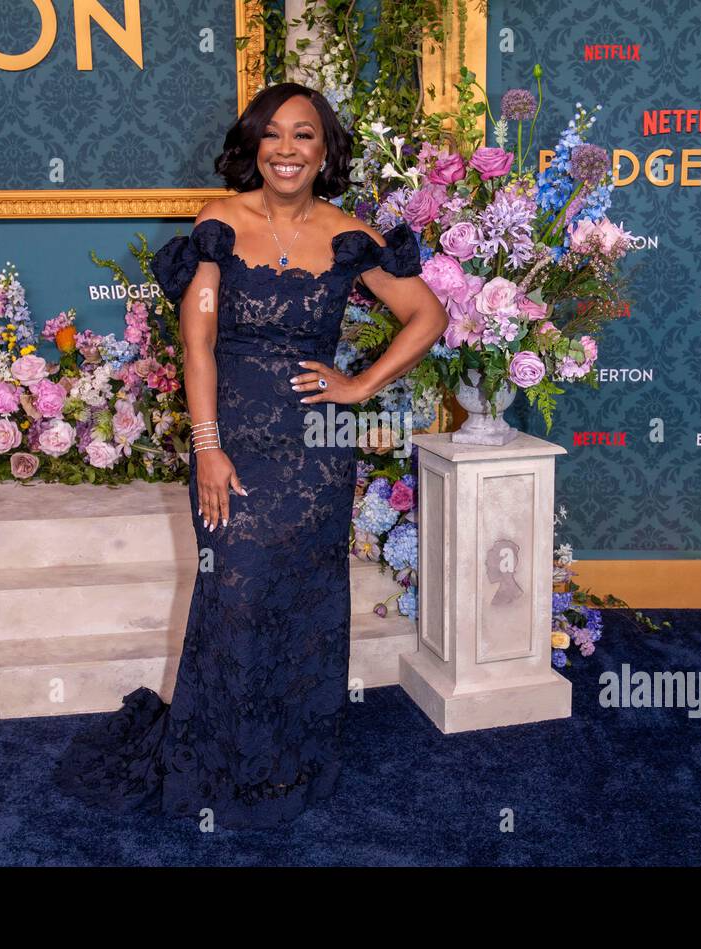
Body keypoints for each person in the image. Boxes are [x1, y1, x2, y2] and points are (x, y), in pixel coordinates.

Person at [52, 82, 447, 828]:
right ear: (253, 148)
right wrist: (208, 448)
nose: (288, 149)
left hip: (316, 454)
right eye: (272, 135)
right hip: (232, 442)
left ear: (325, 149)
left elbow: (429, 313)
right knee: (233, 595)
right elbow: (197, 344)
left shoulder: (348, 235)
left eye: (304, 135)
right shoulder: (219, 225)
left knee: (301, 601)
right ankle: (219, 759)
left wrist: (361, 385)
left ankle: (292, 757)